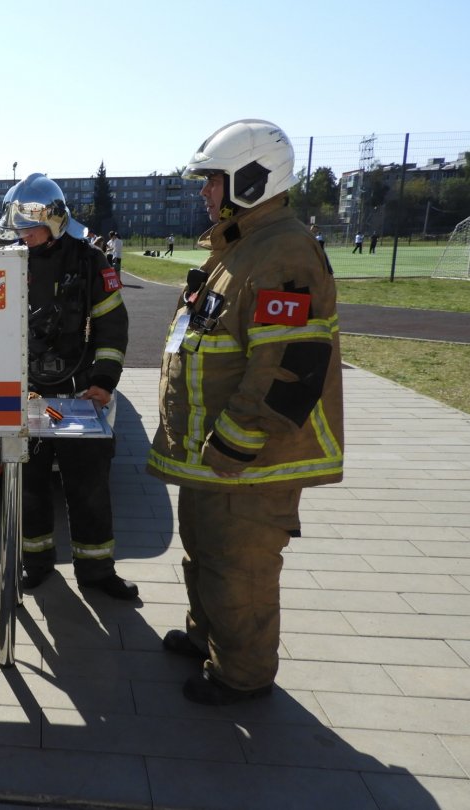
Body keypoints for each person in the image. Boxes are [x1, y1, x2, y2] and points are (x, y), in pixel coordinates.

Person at [148, 119, 344, 705]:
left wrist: (236, 442)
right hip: (217, 458)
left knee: (241, 568)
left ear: (253, 179)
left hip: (249, 462)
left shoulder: (282, 251)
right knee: (207, 550)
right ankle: (210, 638)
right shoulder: (240, 247)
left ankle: (244, 674)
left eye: (213, 181)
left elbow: (286, 362)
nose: (205, 193)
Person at [0, 173, 138, 600]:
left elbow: (113, 325)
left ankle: (97, 573)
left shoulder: (89, 260)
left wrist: (103, 381)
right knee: (30, 486)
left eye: (30, 225)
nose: (23, 235)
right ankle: (36, 564)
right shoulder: (5, 264)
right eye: (18, 226)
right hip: (29, 396)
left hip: (78, 397)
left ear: (55, 220)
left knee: (89, 487)